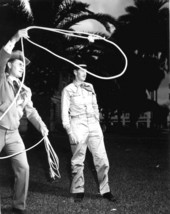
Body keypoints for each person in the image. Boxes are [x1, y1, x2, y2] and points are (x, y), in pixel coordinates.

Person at [0, 29, 49, 214]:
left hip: (13, 134)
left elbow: (31, 111)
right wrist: (14, 38)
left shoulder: (25, 89)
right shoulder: (1, 79)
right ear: (9, 65)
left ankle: (18, 206)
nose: (23, 67)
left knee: (24, 167)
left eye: (24, 65)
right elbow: (1, 57)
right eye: (19, 64)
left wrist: (42, 126)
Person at [61, 64, 116, 203]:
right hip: (77, 124)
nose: (85, 72)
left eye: (86, 70)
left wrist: (97, 120)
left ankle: (105, 190)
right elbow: (64, 113)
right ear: (75, 72)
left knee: (102, 159)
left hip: (93, 124)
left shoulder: (90, 86)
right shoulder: (68, 90)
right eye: (81, 70)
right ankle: (79, 190)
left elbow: (95, 105)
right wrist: (69, 130)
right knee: (78, 160)